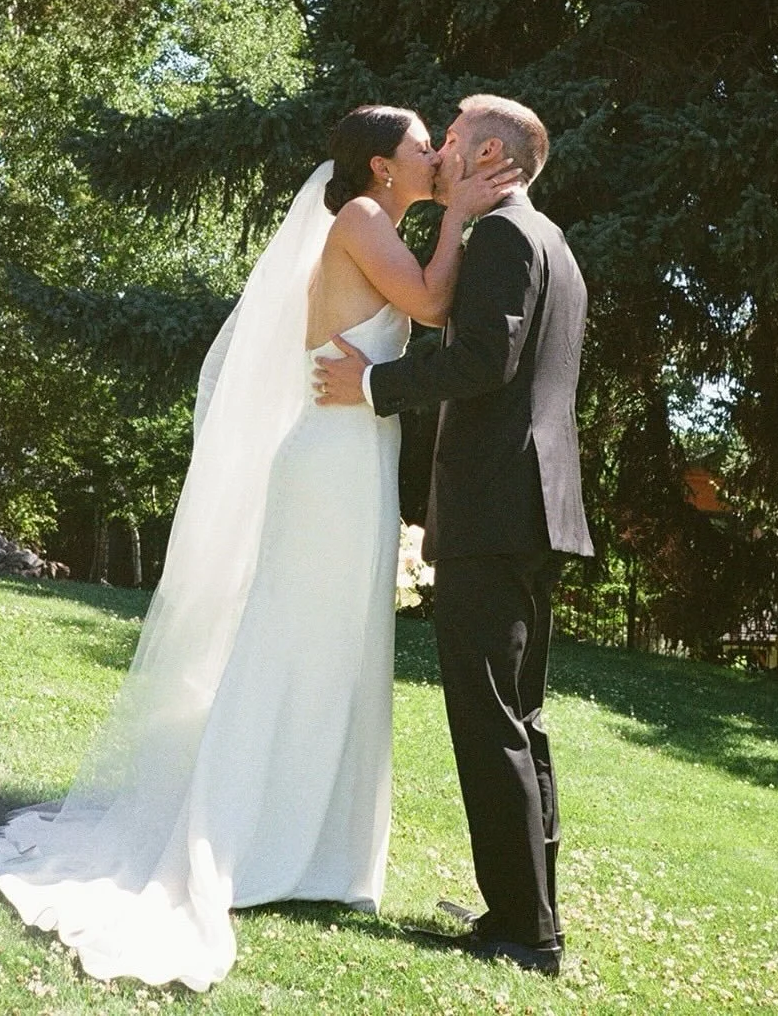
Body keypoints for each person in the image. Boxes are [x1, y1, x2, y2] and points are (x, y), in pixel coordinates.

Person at [0, 104, 518, 992]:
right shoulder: (359, 219)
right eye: (424, 147)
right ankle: (245, 836)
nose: (436, 157)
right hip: (330, 463)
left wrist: (454, 215)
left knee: (339, 648)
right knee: (297, 642)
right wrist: (461, 213)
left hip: (357, 454)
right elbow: (428, 301)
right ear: (383, 167)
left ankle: (315, 851)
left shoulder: (376, 219)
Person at [316, 93, 594, 977]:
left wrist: (374, 385)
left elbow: (484, 361)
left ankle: (524, 930)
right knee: (520, 716)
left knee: (489, 719)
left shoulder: (508, 238)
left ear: (487, 156)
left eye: (454, 140)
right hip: (529, 511)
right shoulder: (550, 239)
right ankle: (527, 912)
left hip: (495, 510)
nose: (441, 152)